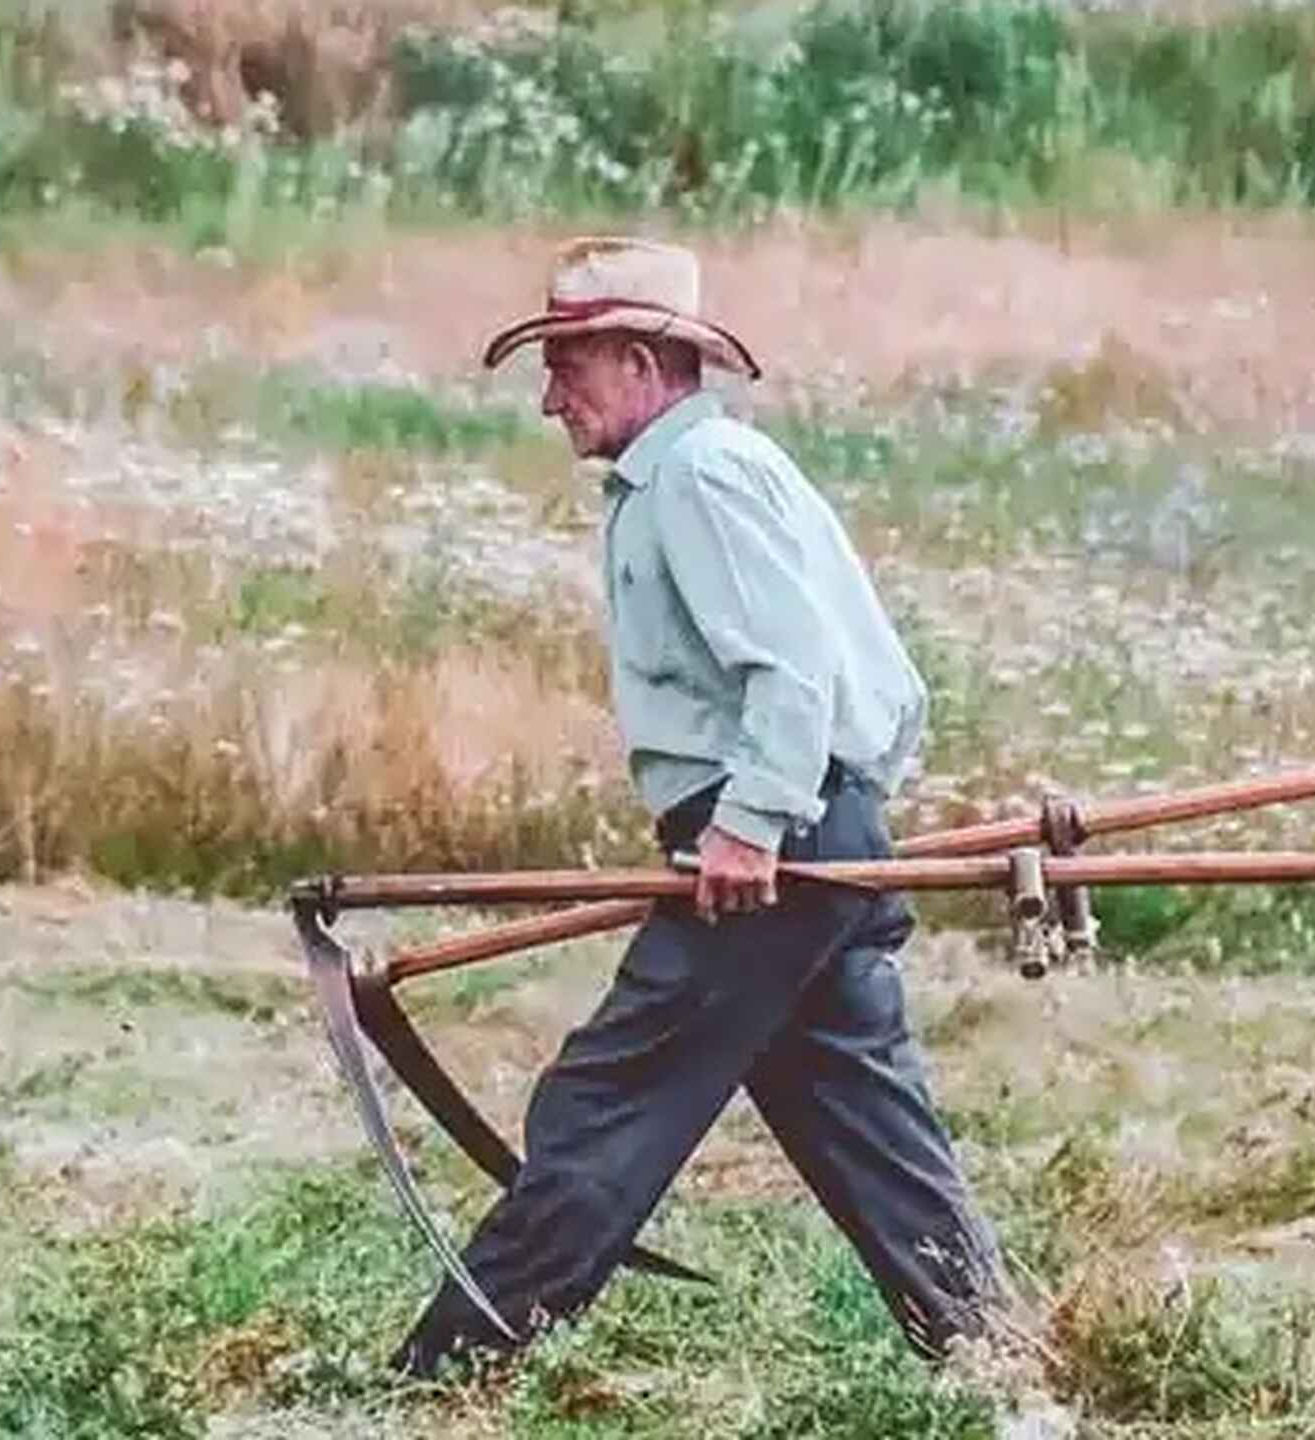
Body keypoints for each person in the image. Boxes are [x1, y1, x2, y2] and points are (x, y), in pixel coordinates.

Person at [392, 237, 1007, 1377]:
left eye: (566, 365)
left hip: (767, 843)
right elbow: (867, 683)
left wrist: (753, 825)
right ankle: (996, 1351)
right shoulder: (695, 472)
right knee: (863, 1123)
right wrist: (821, 819)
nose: (547, 397)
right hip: (802, 832)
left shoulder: (699, 477)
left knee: (601, 1101)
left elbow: (794, 671)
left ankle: (449, 1371)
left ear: (638, 359)